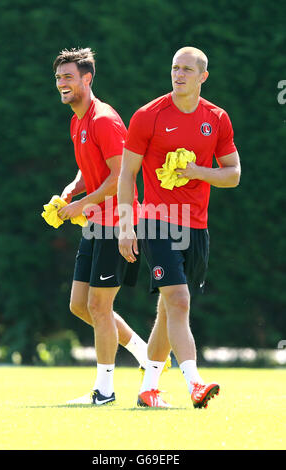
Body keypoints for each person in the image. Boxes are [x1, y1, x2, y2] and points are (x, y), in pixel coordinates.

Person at [118, 46, 241, 408]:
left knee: (168, 310)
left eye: (187, 69)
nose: (179, 74)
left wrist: (198, 172)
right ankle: (195, 384)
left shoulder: (217, 119)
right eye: (175, 68)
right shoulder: (148, 115)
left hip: (197, 226)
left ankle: (148, 388)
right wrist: (127, 225)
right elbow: (127, 174)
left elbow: (233, 174)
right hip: (156, 222)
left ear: (203, 76)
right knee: (179, 300)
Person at [52, 47, 148, 405]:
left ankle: (104, 392)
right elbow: (90, 166)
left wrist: (80, 203)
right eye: (59, 77)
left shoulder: (103, 119)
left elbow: (121, 174)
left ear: (87, 79)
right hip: (95, 222)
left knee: (98, 305)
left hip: (117, 221)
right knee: (80, 304)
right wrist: (74, 188)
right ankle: (142, 351)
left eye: (69, 77)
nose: (62, 83)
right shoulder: (77, 119)